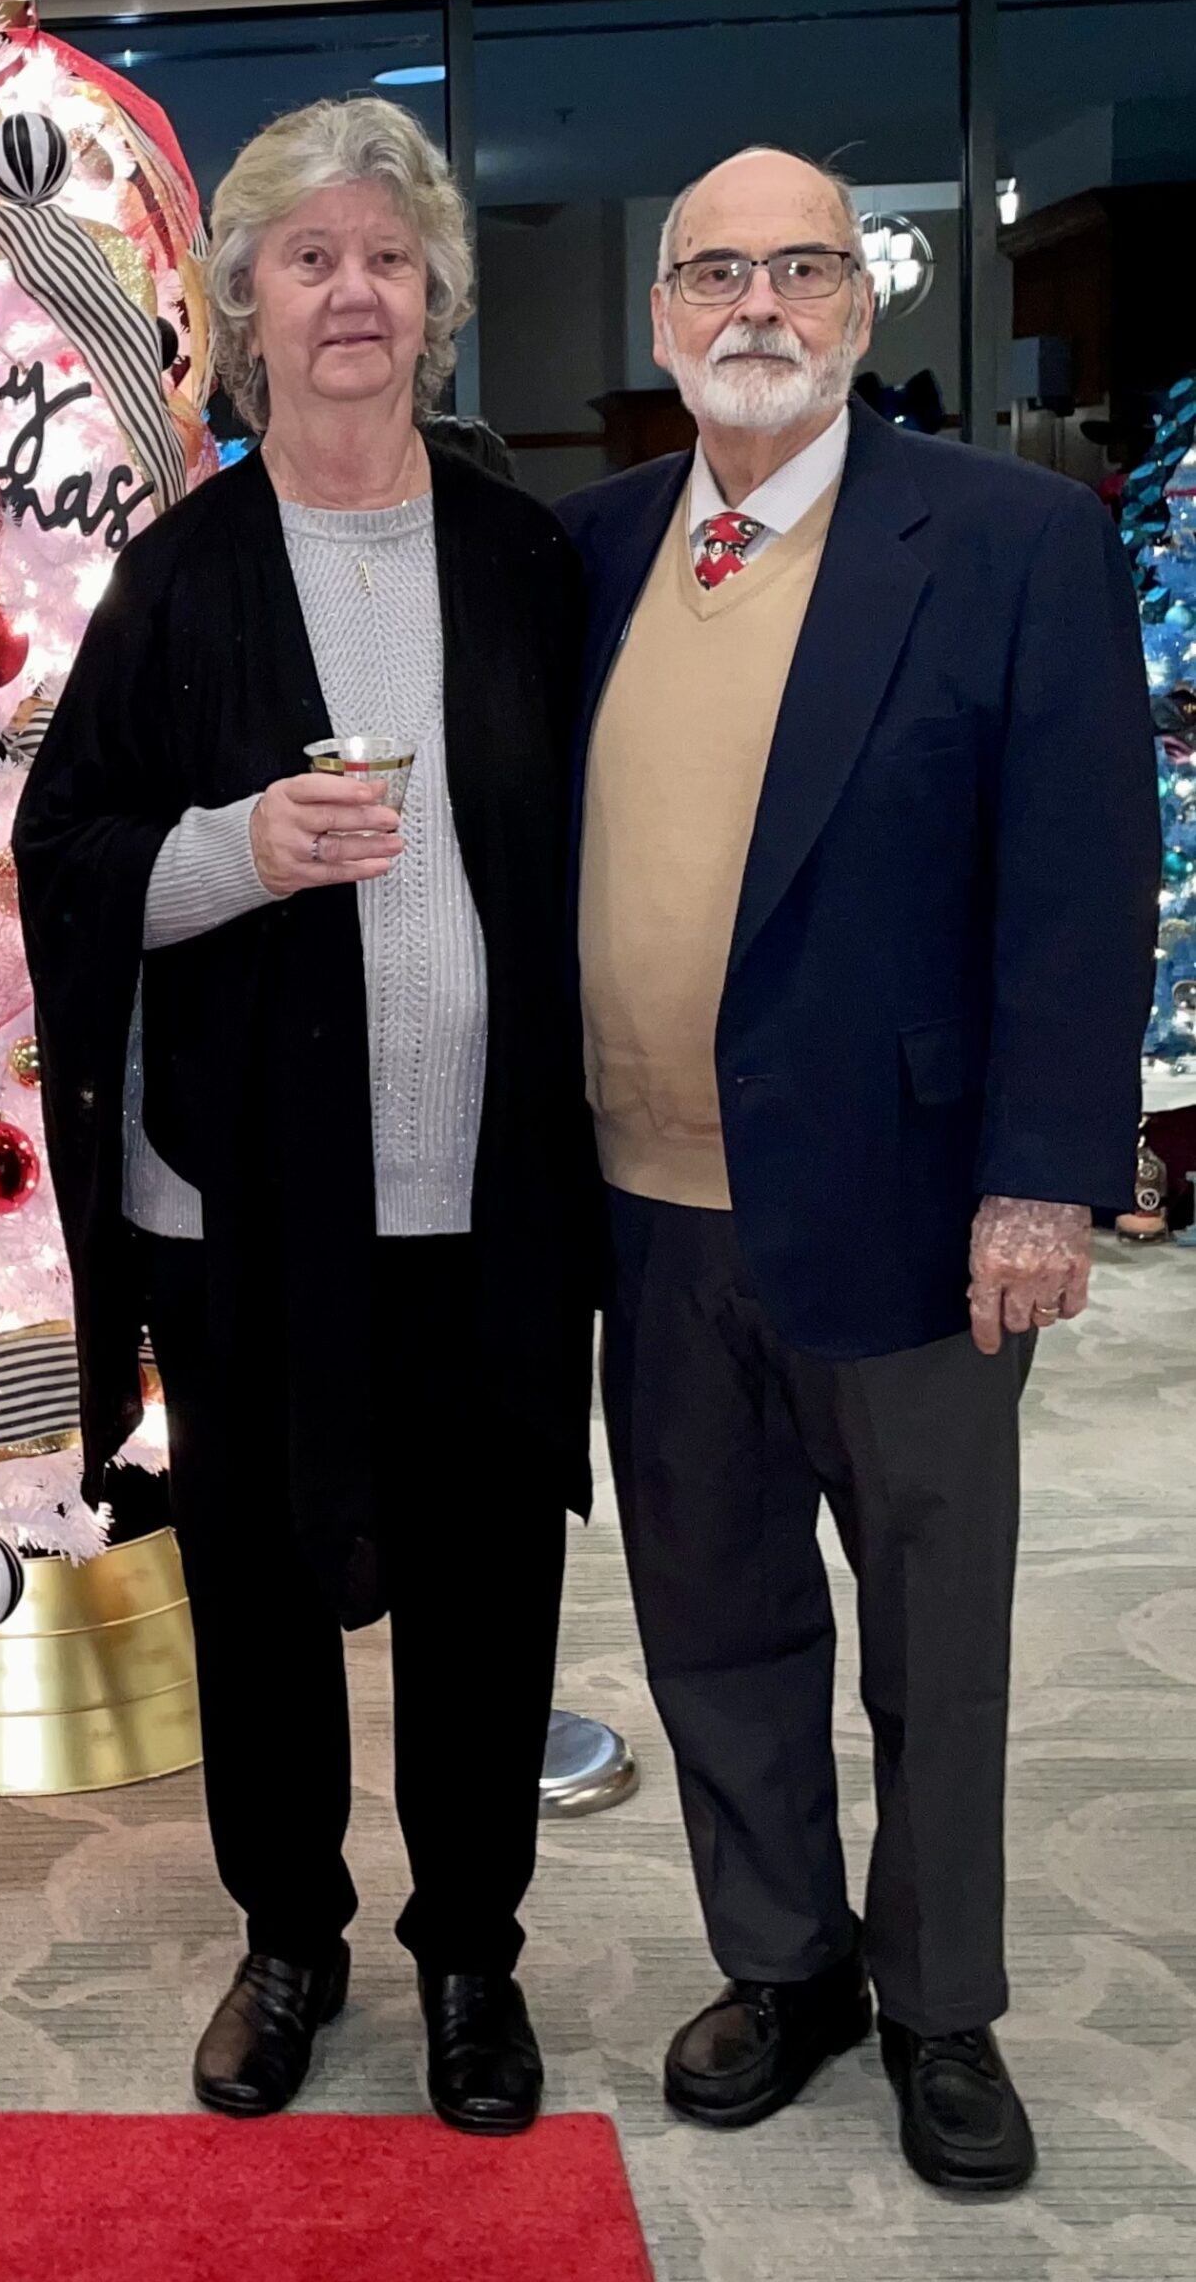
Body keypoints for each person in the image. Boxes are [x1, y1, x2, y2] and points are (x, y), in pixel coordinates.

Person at [559, 146, 1158, 2195]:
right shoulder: (595, 548)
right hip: (640, 1209)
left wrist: (1040, 1177)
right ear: (659, 318)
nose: (754, 307)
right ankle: (784, 1962)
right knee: (712, 1619)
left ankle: (942, 2002)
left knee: (931, 1637)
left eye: (797, 269)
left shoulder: (1001, 541)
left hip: (910, 1209)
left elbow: (1084, 887)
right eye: (711, 270)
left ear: (856, 308)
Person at [14, 97, 596, 2132]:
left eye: (387, 253)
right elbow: (67, 859)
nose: (351, 290)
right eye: (305, 257)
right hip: (240, 1206)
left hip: (487, 1202)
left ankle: (468, 1953)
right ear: (239, 308)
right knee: (255, 1600)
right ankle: (288, 1935)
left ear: (434, 298)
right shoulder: (174, 583)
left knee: (483, 1596)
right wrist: (241, 845)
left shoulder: (529, 562)